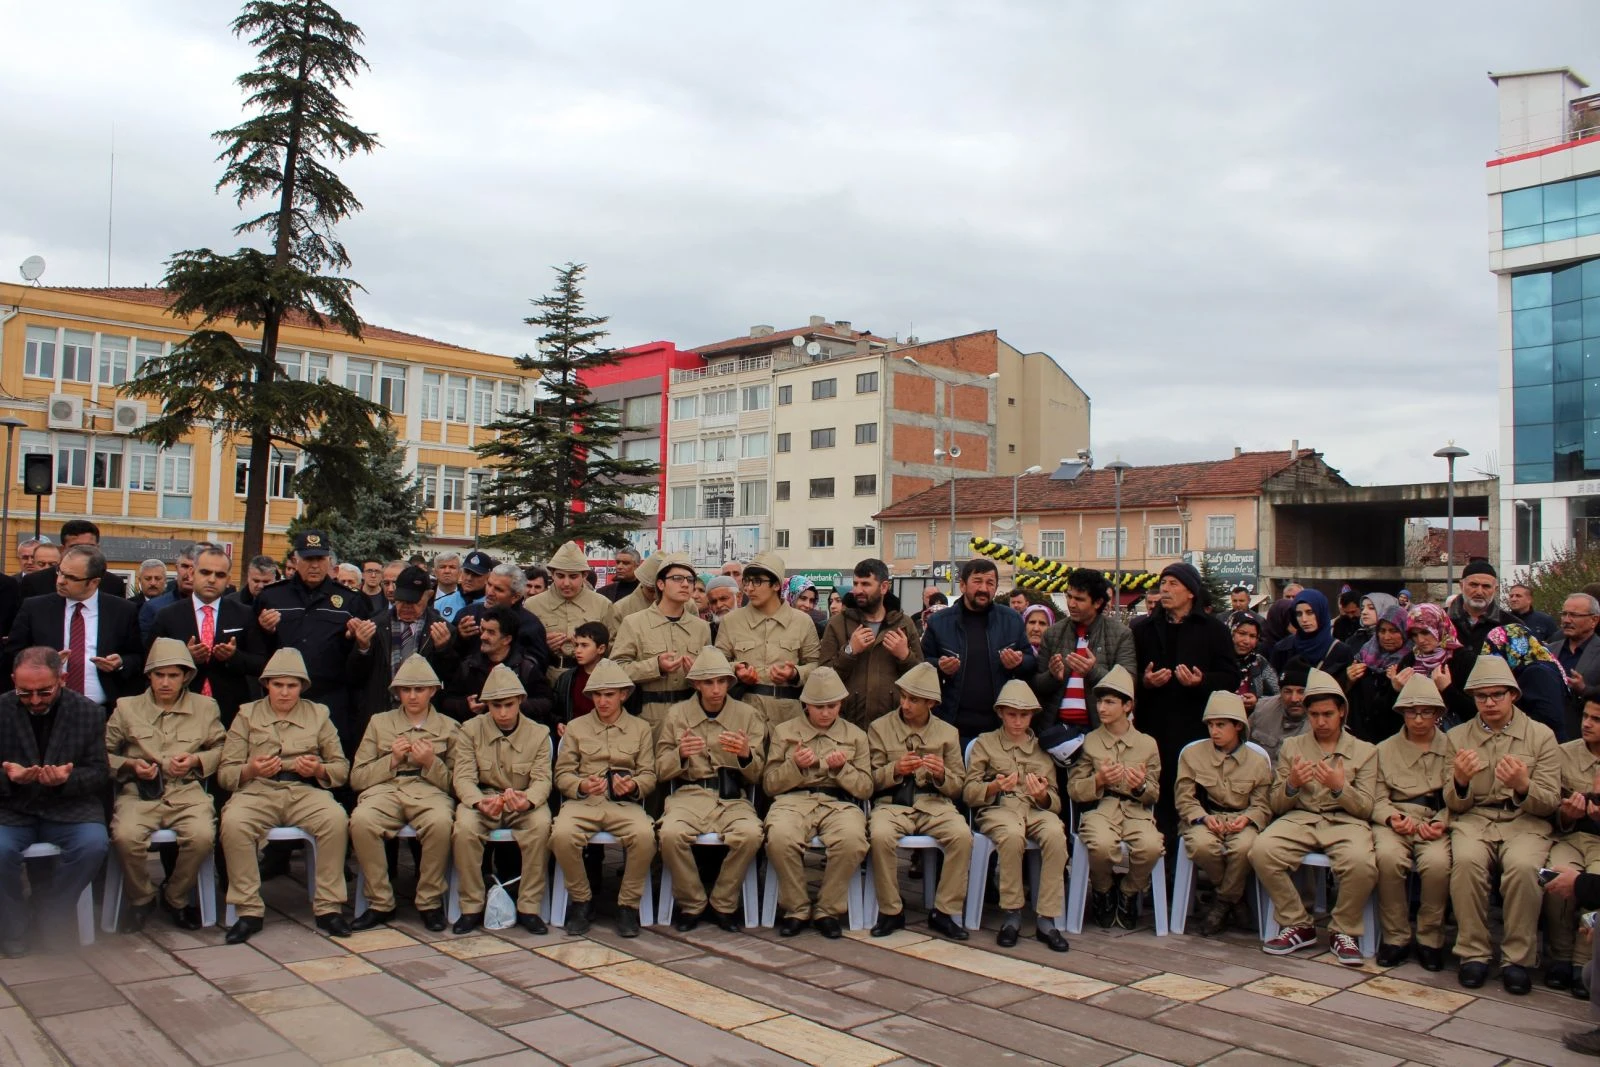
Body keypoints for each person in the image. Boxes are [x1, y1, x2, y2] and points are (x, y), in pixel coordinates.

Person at [216, 648, 352, 944]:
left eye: (292, 685)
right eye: (278, 685)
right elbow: (226, 774)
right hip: (258, 790)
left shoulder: (318, 715)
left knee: (335, 819)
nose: (285, 692)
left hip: (302, 790)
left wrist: (317, 768)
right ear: (266, 684)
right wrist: (251, 769)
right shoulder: (247, 715)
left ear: (302, 687)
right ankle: (248, 910)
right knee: (234, 822)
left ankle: (328, 907)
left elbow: (341, 768)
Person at [1445, 654, 1561, 993]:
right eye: (1482, 696)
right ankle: (1473, 954)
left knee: (1524, 867)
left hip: (1525, 820)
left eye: (1498, 694)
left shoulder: (1541, 737)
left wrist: (1524, 786)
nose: (1490, 702)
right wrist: (1462, 782)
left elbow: (1550, 802)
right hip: (1475, 819)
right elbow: (1452, 803)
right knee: (1466, 863)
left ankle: (1517, 959)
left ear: (1513, 695)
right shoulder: (1458, 737)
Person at [1248, 668, 1377, 964]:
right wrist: (1292, 784)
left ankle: (1343, 929)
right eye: (1315, 714)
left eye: (1328, 714)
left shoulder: (1365, 751)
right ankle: (1298, 922)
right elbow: (1277, 804)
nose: (1320, 721)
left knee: (1362, 862)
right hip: (1302, 818)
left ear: (1342, 712)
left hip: (1346, 821)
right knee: (1262, 850)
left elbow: (1366, 808)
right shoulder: (1294, 746)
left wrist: (1339, 788)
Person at [105, 638, 226, 932]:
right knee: (124, 836)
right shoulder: (127, 707)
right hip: (139, 792)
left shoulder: (205, 707)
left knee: (201, 836)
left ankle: (176, 896)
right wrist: (130, 765)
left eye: (173, 675)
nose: (166, 682)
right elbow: (101, 754)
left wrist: (196, 761)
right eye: (159, 675)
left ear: (186, 676)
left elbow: (224, 748)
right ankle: (142, 898)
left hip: (186, 790)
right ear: (149, 676)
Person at [0, 647, 111, 958]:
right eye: (25, 693)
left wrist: (66, 780)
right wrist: (10, 778)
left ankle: (52, 914)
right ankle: (14, 926)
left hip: (70, 805)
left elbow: (101, 774)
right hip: (12, 807)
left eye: (44, 692)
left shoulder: (88, 712)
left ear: (62, 679)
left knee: (93, 845)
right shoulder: (2, 709)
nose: (35, 701)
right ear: (13, 681)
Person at [654, 646, 767, 932]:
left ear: (730, 683)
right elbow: (660, 770)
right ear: (695, 684)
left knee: (751, 834)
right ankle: (692, 903)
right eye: (708, 682)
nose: (715, 689)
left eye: (721, 682)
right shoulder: (677, 715)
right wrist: (680, 754)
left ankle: (723, 902)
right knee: (669, 834)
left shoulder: (748, 715)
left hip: (731, 797)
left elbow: (758, 775)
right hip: (689, 794)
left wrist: (745, 754)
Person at [347, 655, 462, 933]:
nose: (412, 696)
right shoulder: (379, 722)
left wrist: (430, 763)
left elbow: (459, 783)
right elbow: (357, 777)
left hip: (429, 791)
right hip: (386, 789)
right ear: (397, 692)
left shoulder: (450, 727)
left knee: (440, 823)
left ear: (432, 691)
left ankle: (429, 901)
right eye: (406, 690)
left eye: (419, 689)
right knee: (361, 821)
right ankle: (380, 902)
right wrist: (392, 760)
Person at [762, 667, 872, 939]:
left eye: (832, 706)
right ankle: (797, 908)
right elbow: (770, 784)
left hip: (838, 803)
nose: (826, 713)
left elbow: (866, 788)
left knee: (853, 840)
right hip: (793, 800)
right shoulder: (784, 731)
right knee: (779, 837)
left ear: (841, 705)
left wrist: (842, 770)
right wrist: (794, 766)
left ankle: (827, 909)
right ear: (805, 705)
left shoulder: (856, 735)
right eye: (819, 706)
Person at [550, 658, 656, 937]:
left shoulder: (641, 728)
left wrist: (632, 786)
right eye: (597, 695)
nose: (603, 701)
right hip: (584, 802)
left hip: (623, 804)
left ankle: (628, 906)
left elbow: (649, 774)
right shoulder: (576, 727)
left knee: (645, 835)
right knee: (561, 834)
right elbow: (561, 775)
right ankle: (582, 900)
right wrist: (582, 785)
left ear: (623, 694)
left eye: (609, 694)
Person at [866, 661, 971, 941]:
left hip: (933, 803)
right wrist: (895, 770)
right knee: (879, 834)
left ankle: (944, 912)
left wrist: (941, 775)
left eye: (914, 699)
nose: (906, 704)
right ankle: (891, 910)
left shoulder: (947, 733)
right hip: (892, 804)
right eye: (903, 697)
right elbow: (869, 781)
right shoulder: (879, 728)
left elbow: (959, 786)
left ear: (931, 703)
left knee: (961, 835)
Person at [1131, 561, 1234, 836]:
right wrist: (1145, 680)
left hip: (1196, 726)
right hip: (1154, 726)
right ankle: (1159, 863)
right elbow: (1128, 674)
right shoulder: (1143, 629)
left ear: (1191, 592)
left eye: (1173, 584)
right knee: (1158, 794)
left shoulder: (1214, 630)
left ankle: (1192, 861)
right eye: (1163, 583)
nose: (1165, 589)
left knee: (1192, 794)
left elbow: (1230, 678)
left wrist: (1202, 682)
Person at [964, 680, 1068, 951]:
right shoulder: (985, 743)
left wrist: (1042, 795)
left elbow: (1055, 801)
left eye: (1024, 715)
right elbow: (969, 792)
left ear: (1032, 715)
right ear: (1000, 712)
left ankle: (1047, 917)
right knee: (1011, 834)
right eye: (1012, 714)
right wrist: (995, 786)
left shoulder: (1042, 748)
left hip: (1034, 809)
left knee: (1056, 833)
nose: (1018, 721)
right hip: (999, 809)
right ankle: (1012, 914)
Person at [450, 664, 553, 935]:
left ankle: (529, 906)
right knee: (464, 829)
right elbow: (462, 777)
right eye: (496, 706)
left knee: (541, 826)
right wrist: (477, 802)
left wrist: (528, 801)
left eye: (508, 704)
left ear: (520, 700)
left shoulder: (539, 733)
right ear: (487, 705)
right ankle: (472, 905)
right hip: (484, 798)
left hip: (522, 799)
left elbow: (543, 779)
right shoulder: (470, 730)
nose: (503, 712)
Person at [1068, 665, 1163, 930]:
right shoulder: (1089, 741)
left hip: (1136, 811)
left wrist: (1141, 786)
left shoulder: (1147, 743)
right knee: (1100, 844)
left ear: (1127, 705)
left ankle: (1129, 891)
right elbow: (1074, 789)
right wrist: (1099, 781)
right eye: (1100, 701)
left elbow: (1154, 792)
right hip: (1102, 808)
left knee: (1151, 846)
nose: (1102, 708)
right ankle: (1103, 889)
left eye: (1110, 702)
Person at [1370, 675, 1453, 970]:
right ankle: (1396, 937)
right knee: (1387, 858)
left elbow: (1461, 795)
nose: (1418, 719)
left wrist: (1443, 820)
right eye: (1411, 712)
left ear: (1438, 714)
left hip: (1436, 819)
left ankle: (1430, 939)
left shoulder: (1452, 747)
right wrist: (1392, 818)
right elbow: (1376, 796)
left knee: (1438, 865)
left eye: (1426, 712)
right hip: (1396, 818)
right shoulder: (1384, 749)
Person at [1175, 690, 1272, 936]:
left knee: (1244, 848)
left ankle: (1221, 902)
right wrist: (1204, 817)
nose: (1214, 731)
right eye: (1211, 725)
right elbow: (1185, 796)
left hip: (1242, 819)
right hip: (1206, 817)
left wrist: (1248, 818)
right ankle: (1233, 900)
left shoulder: (1257, 761)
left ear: (1238, 726)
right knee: (1200, 845)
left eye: (1221, 725)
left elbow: (1262, 804)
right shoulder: (1192, 754)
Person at [5, 543, 144, 710]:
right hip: (45, 708)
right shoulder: (34, 608)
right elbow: (12, 653)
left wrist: (121, 663)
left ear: (93, 582)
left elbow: (138, 657)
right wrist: (42, 662)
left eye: (71, 577)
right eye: (60, 572)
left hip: (105, 710)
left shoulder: (123, 610)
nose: (61, 581)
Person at [921, 558, 1034, 749]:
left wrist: (1018, 662)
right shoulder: (939, 622)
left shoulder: (1011, 620)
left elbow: (1031, 662)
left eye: (990, 583)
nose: (984, 588)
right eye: (977, 581)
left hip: (999, 727)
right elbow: (922, 664)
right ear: (963, 585)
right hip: (951, 723)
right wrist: (939, 667)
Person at [149, 545, 264, 728]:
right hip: (179, 710)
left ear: (227, 579)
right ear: (192, 573)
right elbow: (150, 663)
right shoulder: (167, 616)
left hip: (230, 711)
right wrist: (185, 657)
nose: (211, 580)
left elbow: (260, 663)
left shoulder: (245, 615)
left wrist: (233, 657)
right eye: (205, 572)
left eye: (219, 575)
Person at [715, 552, 822, 726]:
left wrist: (795, 674)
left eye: (757, 581)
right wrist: (736, 670)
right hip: (743, 716)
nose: (749, 588)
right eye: (747, 581)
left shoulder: (802, 621)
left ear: (776, 585)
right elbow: (717, 664)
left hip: (789, 719)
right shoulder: (731, 621)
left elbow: (816, 665)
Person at [1030, 567, 1137, 737]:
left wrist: (1092, 671)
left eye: (1079, 599)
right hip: (1057, 730)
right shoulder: (1053, 633)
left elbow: (1127, 684)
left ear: (1098, 602)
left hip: (1101, 731)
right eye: (1069, 596)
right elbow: (1037, 686)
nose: (1071, 604)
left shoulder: (1120, 634)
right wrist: (1052, 676)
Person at [610, 553, 711, 730]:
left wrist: (698, 673)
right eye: (677, 578)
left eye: (690, 579)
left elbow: (712, 676)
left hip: (692, 717)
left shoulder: (701, 627)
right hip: (646, 718)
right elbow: (616, 669)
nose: (685, 584)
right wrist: (655, 666)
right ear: (661, 584)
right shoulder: (634, 623)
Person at [820, 558, 922, 728]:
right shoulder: (837, 624)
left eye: (865, 584)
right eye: (855, 583)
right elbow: (822, 677)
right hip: (846, 725)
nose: (857, 590)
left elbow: (921, 679)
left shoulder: (904, 624)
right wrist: (849, 651)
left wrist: (905, 656)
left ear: (883, 587)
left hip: (893, 726)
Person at [1548, 692, 1600, 999]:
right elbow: (1548, 805)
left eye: (1597, 720)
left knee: (1595, 879)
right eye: (1586, 717)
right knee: (1557, 875)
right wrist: (1566, 815)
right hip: (1570, 834)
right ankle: (1561, 956)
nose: (1588, 725)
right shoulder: (1564, 753)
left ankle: (1586, 962)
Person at [442, 604, 554, 727]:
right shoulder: (469, 666)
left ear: (507, 639)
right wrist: (466, 706)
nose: (483, 636)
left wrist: (515, 705)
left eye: (491, 632)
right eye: (483, 630)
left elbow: (546, 702)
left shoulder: (526, 668)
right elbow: (447, 701)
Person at [527, 541, 620, 687]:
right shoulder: (533, 605)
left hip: (589, 680)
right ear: (552, 574)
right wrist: (542, 645)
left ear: (585, 575)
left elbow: (615, 646)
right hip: (545, 678)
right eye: (560, 576)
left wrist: (593, 648)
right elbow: (522, 646)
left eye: (573, 576)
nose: (566, 583)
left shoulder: (602, 604)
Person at [456, 563, 552, 673]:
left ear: (515, 597)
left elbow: (537, 668)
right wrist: (459, 637)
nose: (490, 592)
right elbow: (451, 659)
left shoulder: (531, 625)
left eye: (498, 589)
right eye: (489, 584)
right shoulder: (468, 614)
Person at [1344, 602, 1411, 744]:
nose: (1386, 637)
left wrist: (1395, 689)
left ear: (1405, 631)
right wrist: (1347, 681)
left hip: (1395, 740)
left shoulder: (1411, 662)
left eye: (1394, 631)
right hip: (1360, 738)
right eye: (1382, 631)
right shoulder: (1364, 655)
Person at [18, 519, 127, 599]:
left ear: (98, 548)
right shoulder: (34, 582)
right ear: (62, 549)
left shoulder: (114, 584)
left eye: (89, 547)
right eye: (76, 547)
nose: (83, 552)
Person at [1448, 561, 1516, 681]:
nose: (1479, 592)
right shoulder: (1441, 621)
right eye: (1473, 585)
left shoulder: (1511, 626)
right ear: (1461, 585)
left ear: (1495, 589)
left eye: (1486, 586)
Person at [1268, 589, 1354, 682]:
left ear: (1321, 612)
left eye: (1310, 612)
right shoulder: (1283, 648)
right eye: (1299, 614)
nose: (1304, 619)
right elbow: (1273, 686)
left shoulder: (1341, 651)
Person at [1248, 658, 1311, 764]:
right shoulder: (1262, 710)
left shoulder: (1322, 721)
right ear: (1280, 692)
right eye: (1288, 691)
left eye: (1301, 692)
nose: (1294, 699)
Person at [551, 621, 609, 732]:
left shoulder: (615, 678)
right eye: (576, 645)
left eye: (584, 645)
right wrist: (559, 723)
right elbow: (555, 710)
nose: (577, 650)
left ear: (601, 649)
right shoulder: (567, 679)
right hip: (574, 737)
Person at [1558, 594, 1600, 739]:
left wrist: (1584, 689)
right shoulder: (1549, 650)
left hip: (1585, 738)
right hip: (1548, 736)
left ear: (1594, 620)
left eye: (1574, 615)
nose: (1566, 620)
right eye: (1564, 614)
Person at [1228, 613, 1279, 711]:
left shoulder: (1259, 662)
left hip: (1253, 722)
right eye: (1242, 633)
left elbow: (1277, 694)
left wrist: (1257, 700)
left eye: (1252, 636)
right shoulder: (1217, 660)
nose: (1247, 641)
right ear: (1230, 631)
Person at [612, 555, 662, 621]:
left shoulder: (677, 607)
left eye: (626, 563)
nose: (619, 567)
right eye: (651, 591)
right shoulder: (620, 609)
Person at [430, 552, 465, 622]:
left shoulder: (468, 597)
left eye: (452, 567)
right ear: (434, 572)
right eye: (442, 567)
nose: (447, 571)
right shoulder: (426, 596)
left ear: (460, 572)